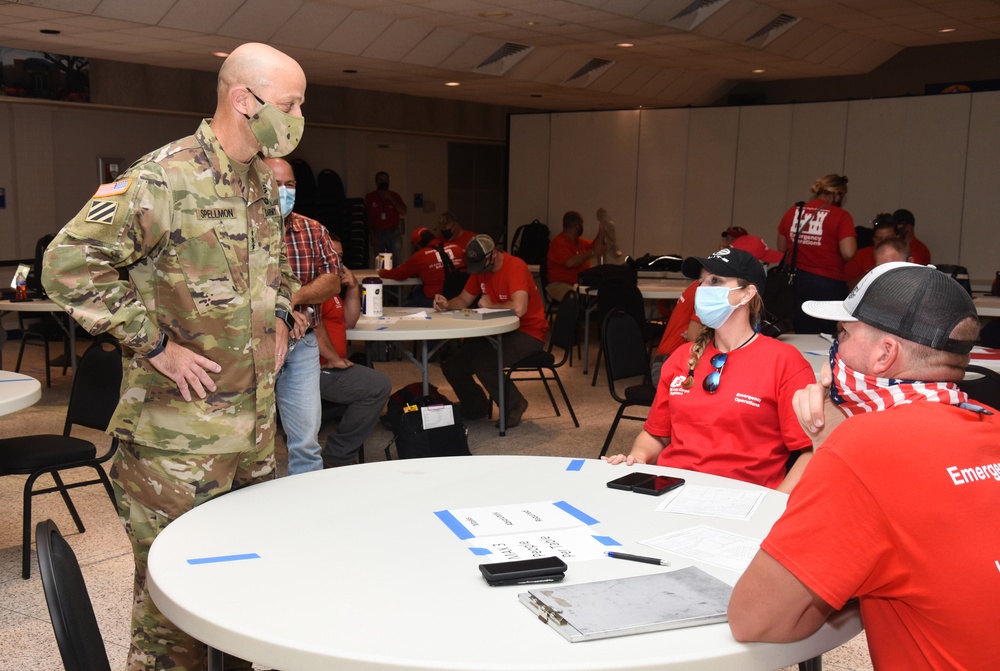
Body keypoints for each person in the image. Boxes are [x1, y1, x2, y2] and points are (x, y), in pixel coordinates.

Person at [41, 42, 305, 670]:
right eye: (291, 104)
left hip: (256, 436)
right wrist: (155, 345)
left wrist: (283, 320)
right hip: (176, 442)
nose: (298, 116)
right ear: (245, 99)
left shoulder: (262, 184)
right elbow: (66, 266)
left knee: (243, 603)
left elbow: (278, 270)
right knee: (173, 620)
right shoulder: (162, 177)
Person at [729, 262, 998, 670]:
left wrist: (833, 447)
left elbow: (754, 619)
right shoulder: (989, 420)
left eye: (843, 334)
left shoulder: (863, 450)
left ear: (884, 354)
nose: (835, 345)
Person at [605, 247, 815, 492]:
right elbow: (656, 435)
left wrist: (774, 506)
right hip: (672, 488)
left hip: (742, 496)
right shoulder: (681, 357)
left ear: (747, 294)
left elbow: (810, 451)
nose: (703, 289)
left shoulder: (784, 361)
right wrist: (637, 459)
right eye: (701, 281)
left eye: (715, 281)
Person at [264, 157, 342, 476]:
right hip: (255, 348)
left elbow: (333, 280)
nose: (284, 191)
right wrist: (278, 313)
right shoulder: (236, 231)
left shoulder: (312, 230)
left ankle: (307, 512)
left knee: (306, 441)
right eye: (276, 184)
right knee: (250, 443)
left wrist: (291, 300)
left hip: (303, 346)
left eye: (290, 185)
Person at [434, 234, 548, 428]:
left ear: (493, 254)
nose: (479, 271)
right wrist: (447, 304)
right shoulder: (481, 268)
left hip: (528, 332)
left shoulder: (515, 267)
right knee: (453, 365)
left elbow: (520, 308)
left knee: (484, 363)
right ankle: (475, 406)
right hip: (499, 331)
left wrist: (491, 305)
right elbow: (463, 300)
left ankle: (515, 404)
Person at [651, 234, 782, 385]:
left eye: (715, 280)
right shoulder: (711, 294)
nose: (703, 287)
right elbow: (695, 335)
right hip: (677, 362)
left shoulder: (780, 357)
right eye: (762, 263)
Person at [315, 234, 392, 467]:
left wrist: (352, 288)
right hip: (317, 367)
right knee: (378, 385)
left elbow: (349, 321)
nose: (338, 262)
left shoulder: (331, 286)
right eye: (332, 256)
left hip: (331, 362)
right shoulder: (314, 286)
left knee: (368, 377)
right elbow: (312, 327)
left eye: (340, 257)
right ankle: (337, 456)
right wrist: (334, 358)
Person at [776, 174, 857, 334]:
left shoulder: (794, 211)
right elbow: (848, 251)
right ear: (836, 194)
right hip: (828, 283)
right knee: (831, 334)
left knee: (802, 331)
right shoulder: (840, 215)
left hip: (796, 282)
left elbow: (782, 246)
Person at [379, 226, 465, 307]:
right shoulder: (457, 247)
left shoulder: (420, 256)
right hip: (459, 296)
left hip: (436, 299)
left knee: (406, 306)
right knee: (417, 292)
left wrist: (382, 272)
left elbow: (399, 274)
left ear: (417, 246)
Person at [545, 210, 605, 302]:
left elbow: (595, 245)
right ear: (576, 225)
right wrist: (592, 252)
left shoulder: (580, 241)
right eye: (581, 224)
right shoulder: (558, 242)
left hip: (579, 284)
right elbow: (570, 263)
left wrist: (602, 230)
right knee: (575, 299)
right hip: (560, 285)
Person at [843, 212, 898, 288]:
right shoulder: (860, 255)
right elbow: (847, 286)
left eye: (889, 239)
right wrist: (871, 273)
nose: (884, 243)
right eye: (879, 239)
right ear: (873, 239)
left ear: (897, 238)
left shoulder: (909, 254)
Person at [366, 170, 407, 260]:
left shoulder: (394, 195)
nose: (384, 182)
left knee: (397, 260)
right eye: (381, 180)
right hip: (378, 234)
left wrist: (391, 199)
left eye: (386, 180)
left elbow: (403, 211)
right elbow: (368, 218)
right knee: (382, 263)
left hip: (394, 233)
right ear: (376, 182)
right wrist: (372, 236)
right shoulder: (370, 197)